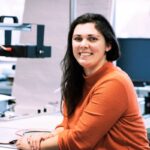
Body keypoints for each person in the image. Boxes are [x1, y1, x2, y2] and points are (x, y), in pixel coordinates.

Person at [16, 13, 150, 150]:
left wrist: (34, 147)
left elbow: (80, 140)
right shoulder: (77, 80)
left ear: (108, 45)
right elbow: (67, 125)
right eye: (78, 39)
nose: (83, 45)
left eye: (92, 39)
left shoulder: (114, 82)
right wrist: (48, 136)